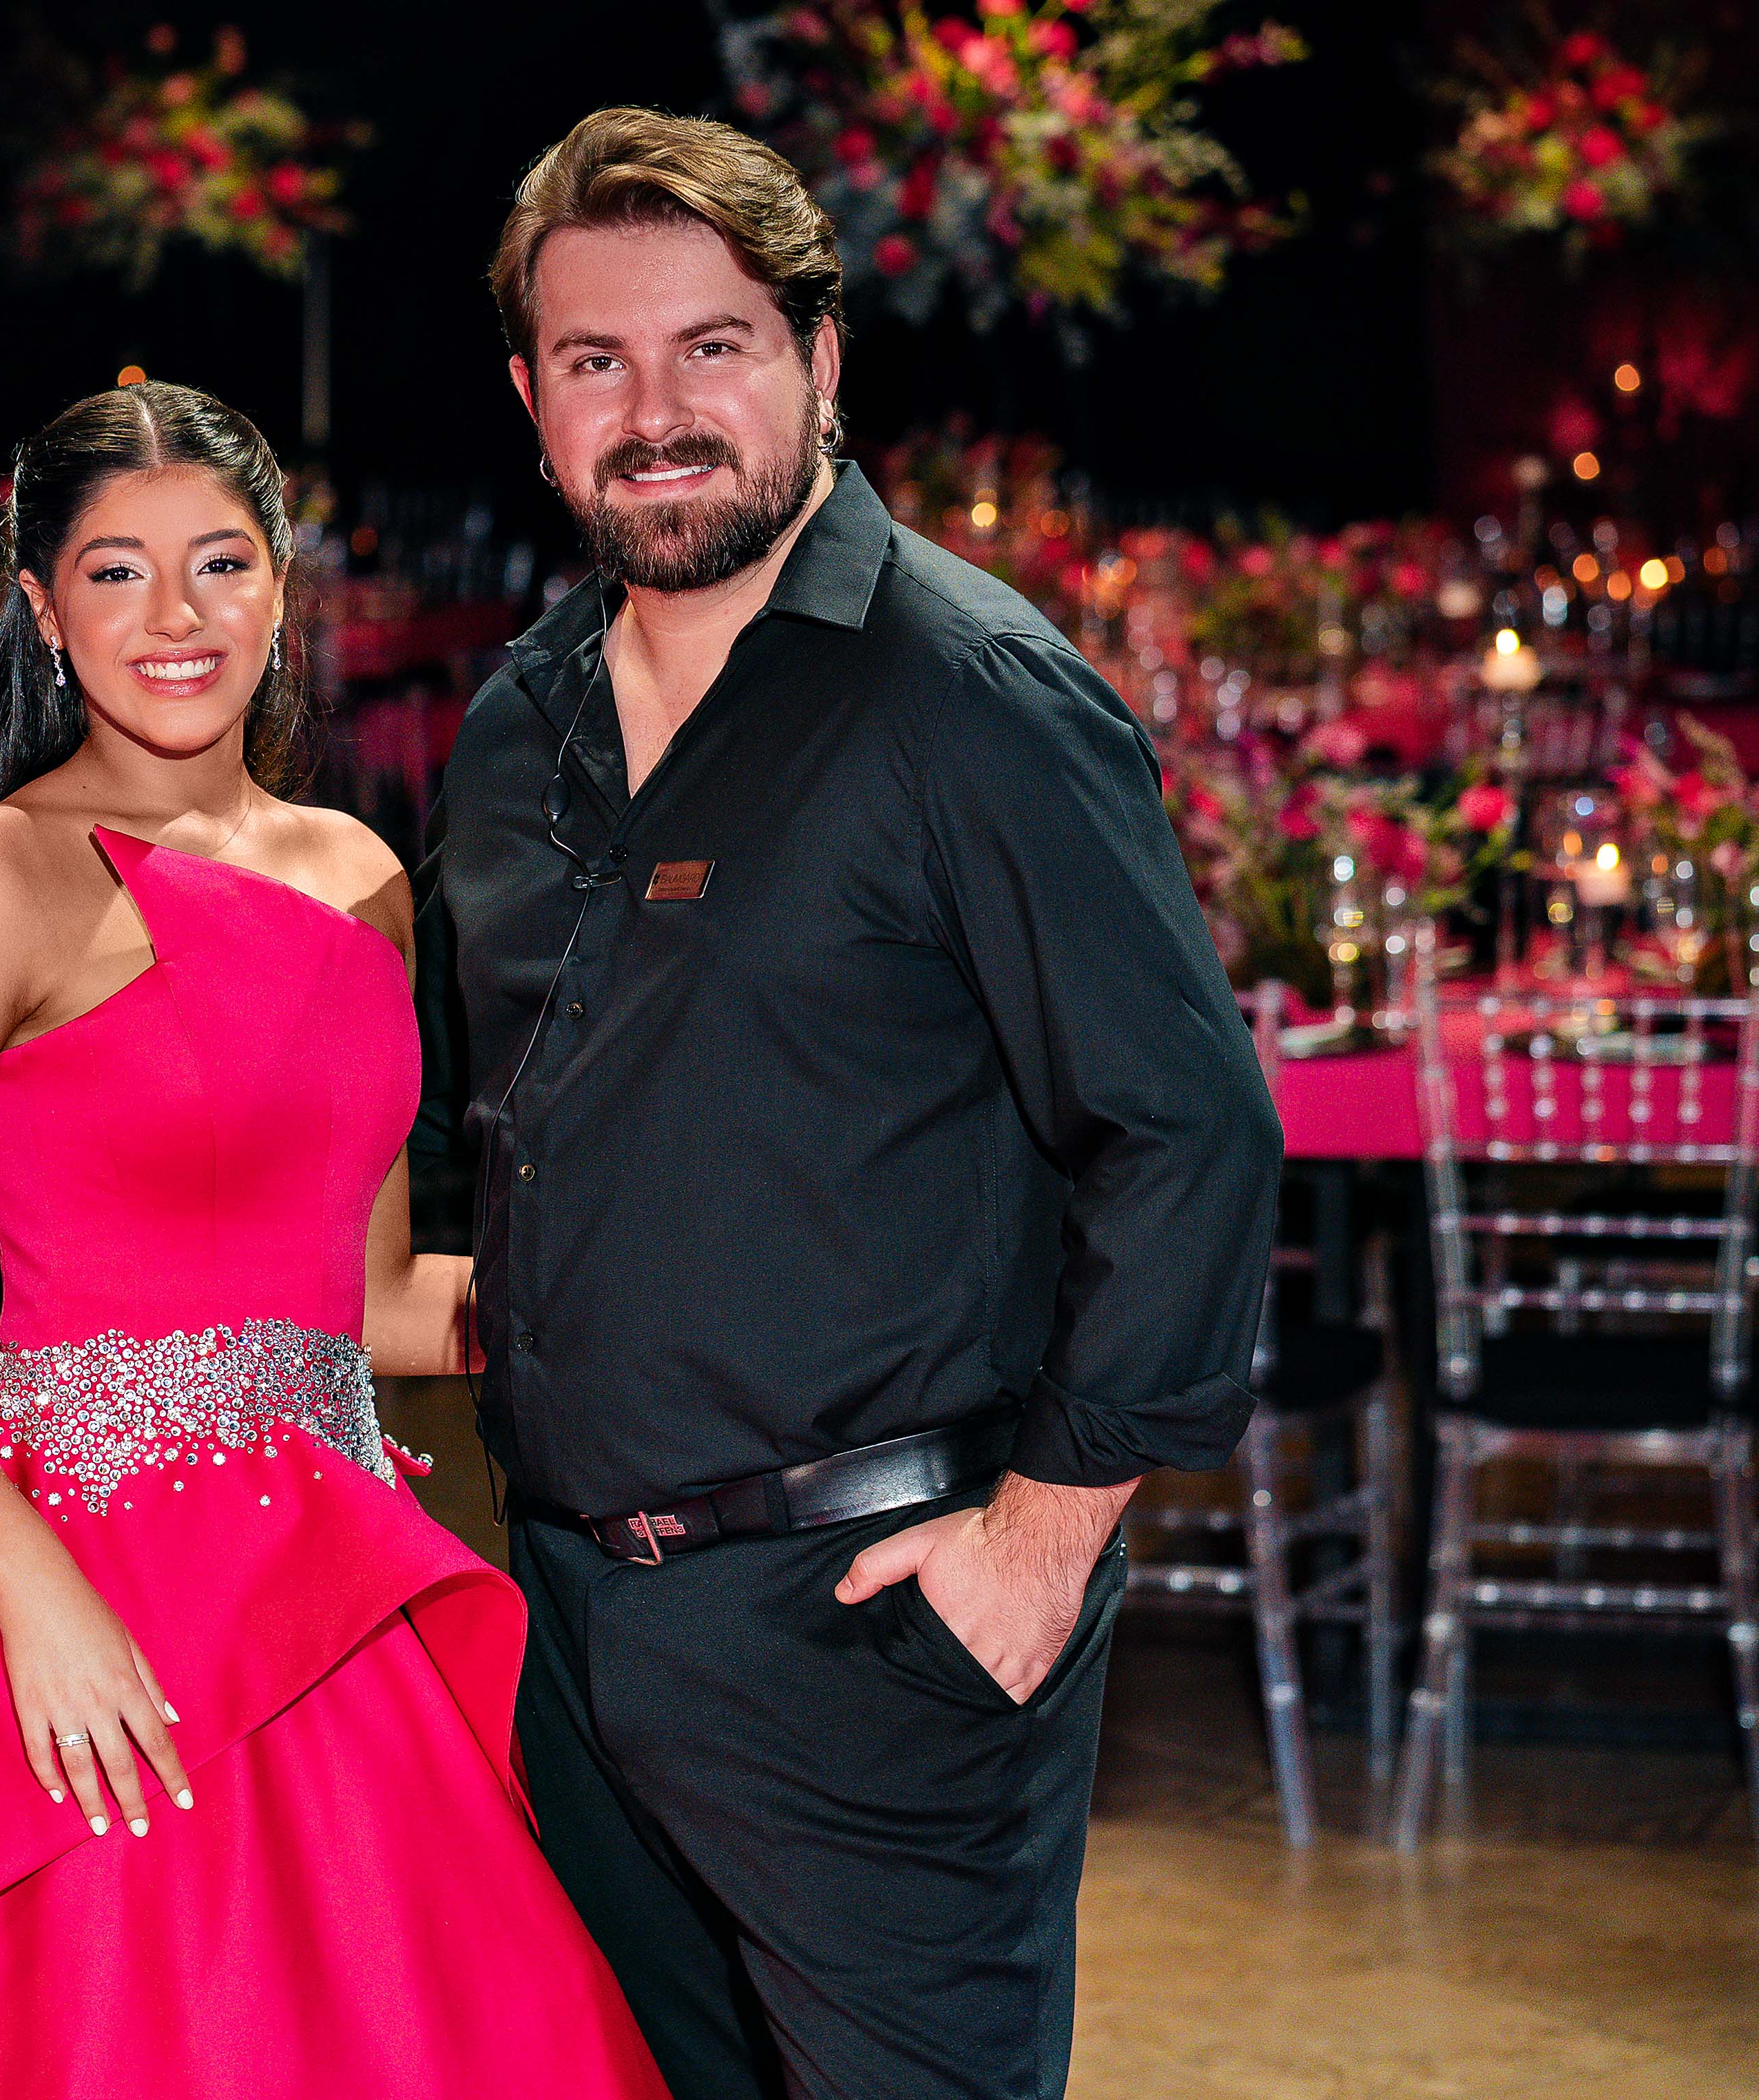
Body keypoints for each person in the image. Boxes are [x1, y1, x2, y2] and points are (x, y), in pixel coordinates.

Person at [417, 110, 1281, 2099]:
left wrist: (1039, 1548)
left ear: (817, 359)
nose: (654, 413)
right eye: (594, 360)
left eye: (710, 347)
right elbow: (471, 1140)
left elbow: (1185, 1133)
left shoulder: (965, 694)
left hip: (874, 1625)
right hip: (574, 1624)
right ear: (532, 402)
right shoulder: (515, 723)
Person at [0, 380, 667, 2099]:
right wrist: (34, 1592)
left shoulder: (360, 874)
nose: (173, 615)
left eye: (218, 563)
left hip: (325, 1584)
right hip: (77, 1588)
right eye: (115, 571)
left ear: (278, 587)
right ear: (44, 607)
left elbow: (367, 1298)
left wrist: (667, 1296)